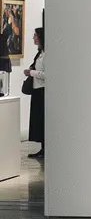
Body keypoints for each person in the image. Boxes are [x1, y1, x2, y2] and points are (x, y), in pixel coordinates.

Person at [24, 28, 45, 158]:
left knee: (42, 119)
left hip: (43, 90)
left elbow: (47, 74)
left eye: (35, 36)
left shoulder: (47, 54)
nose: (33, 38)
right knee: (38, 120)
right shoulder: (40, 53)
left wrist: (31, 72)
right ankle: (43, 148)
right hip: (37, 90)